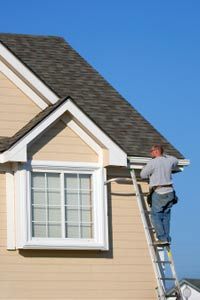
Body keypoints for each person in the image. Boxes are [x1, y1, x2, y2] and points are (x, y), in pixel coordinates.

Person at [140, 145, 178, 246]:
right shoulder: (169, 160)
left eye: (151, 151)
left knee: (156, 215)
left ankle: (162, 238)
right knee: (166, 216)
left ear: (156, 151)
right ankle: (166, 238)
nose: (150, 153)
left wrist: (151, 174)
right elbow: (175, 160)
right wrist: (163, 155)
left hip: (159, 191)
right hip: (170, 192)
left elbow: (142, 174)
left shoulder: (153, 162)